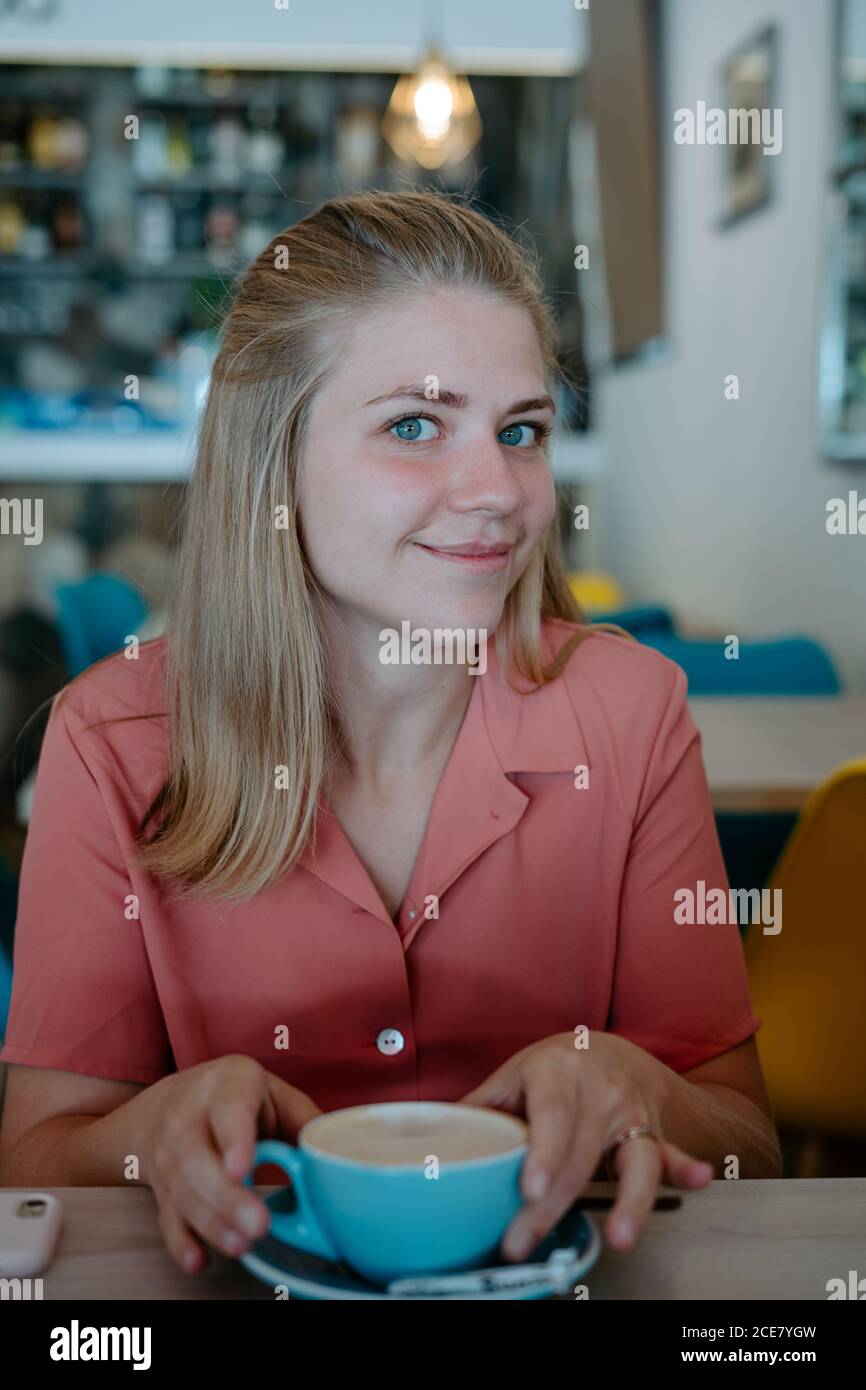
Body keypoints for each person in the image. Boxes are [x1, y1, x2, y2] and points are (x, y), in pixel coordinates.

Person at [0, 190, 781, 1280]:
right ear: (269, 458)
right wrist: (152, 1132)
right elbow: (32, 1158)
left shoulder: (630, 712)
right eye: (413, 425)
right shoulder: (110, 741)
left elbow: (749, 1146)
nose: (497, 491)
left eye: (520, 431)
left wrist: (647, 1093)